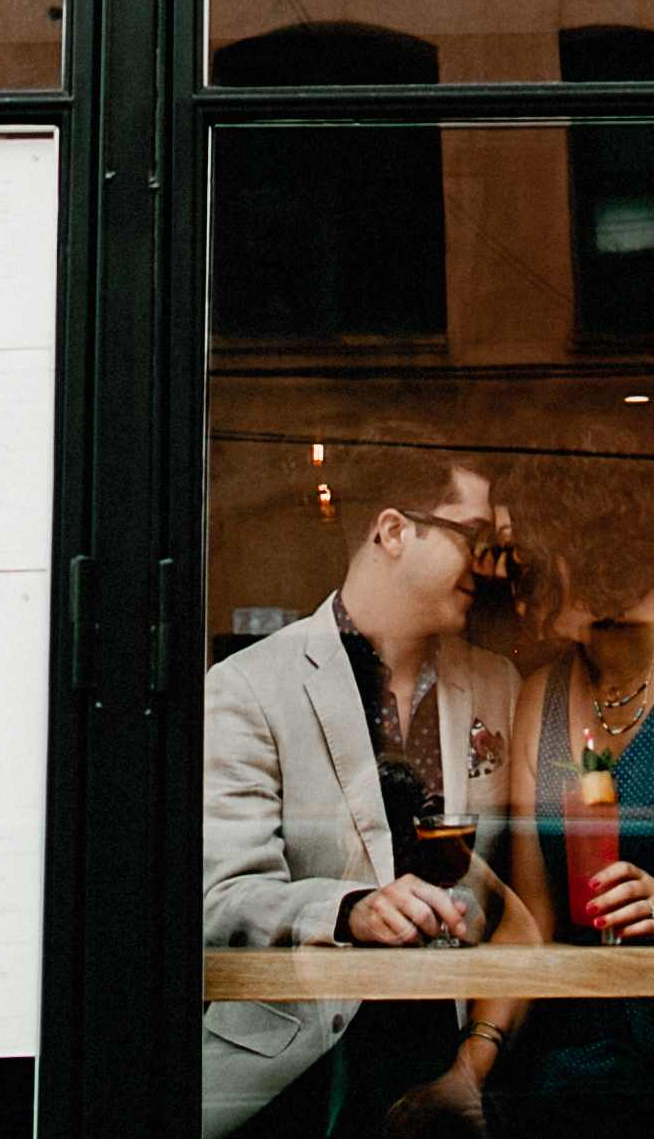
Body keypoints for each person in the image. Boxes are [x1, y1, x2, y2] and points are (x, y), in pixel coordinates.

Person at [391, 467, 654, 1139]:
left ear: (575, 546)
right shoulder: (544, 695)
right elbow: (532, 918)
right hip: (600, 1064)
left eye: (513, 547)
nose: (499, 570)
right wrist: (469, 1070)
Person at [204, 450, 526, 1139]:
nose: (492, 564)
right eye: (473, 538)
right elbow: (223, 898)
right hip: (295, 1077)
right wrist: (351, 910)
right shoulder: (247, 686)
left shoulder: (500, 683)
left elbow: (523, 895)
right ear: (391, 531)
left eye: (497, 546)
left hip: (455, 1063)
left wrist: (475, 1062)